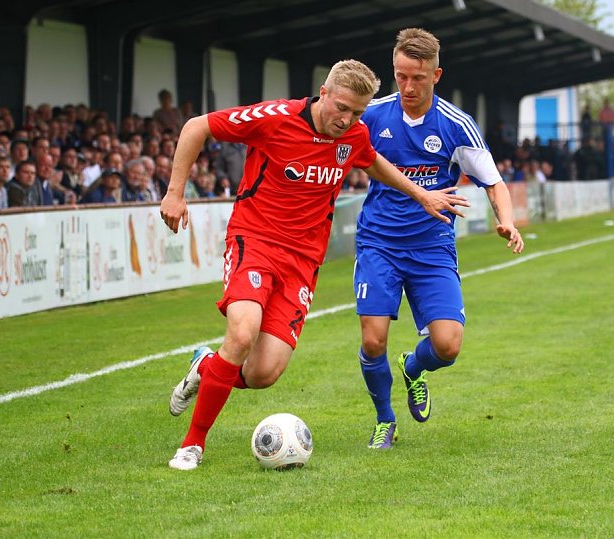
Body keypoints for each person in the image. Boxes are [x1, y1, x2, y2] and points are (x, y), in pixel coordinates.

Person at [160, 58, 468, 471]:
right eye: (341, 107)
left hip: (303, 261)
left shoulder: (354, 135)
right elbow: (196, 126)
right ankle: (192, 445)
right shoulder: (275, 119)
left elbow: (372, 160)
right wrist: (175, 192)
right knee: (242, 333)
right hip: (255, 240)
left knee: (263, 373)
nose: (348, 119)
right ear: (323, 92)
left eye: (358, 112)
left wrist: (421, 195)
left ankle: (206, 366)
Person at [352, 28, 524, 450]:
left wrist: (508, 220)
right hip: (379, 242)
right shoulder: (373, 115)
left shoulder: (456, 125)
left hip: (431, 247)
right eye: (400, 76)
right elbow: (342, 150)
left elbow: (494, 182)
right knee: (373, 338)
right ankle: (384, 420)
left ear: (437, 74)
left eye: (418, 78)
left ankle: (413, 368)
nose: (408, 87)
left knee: (447, 346)